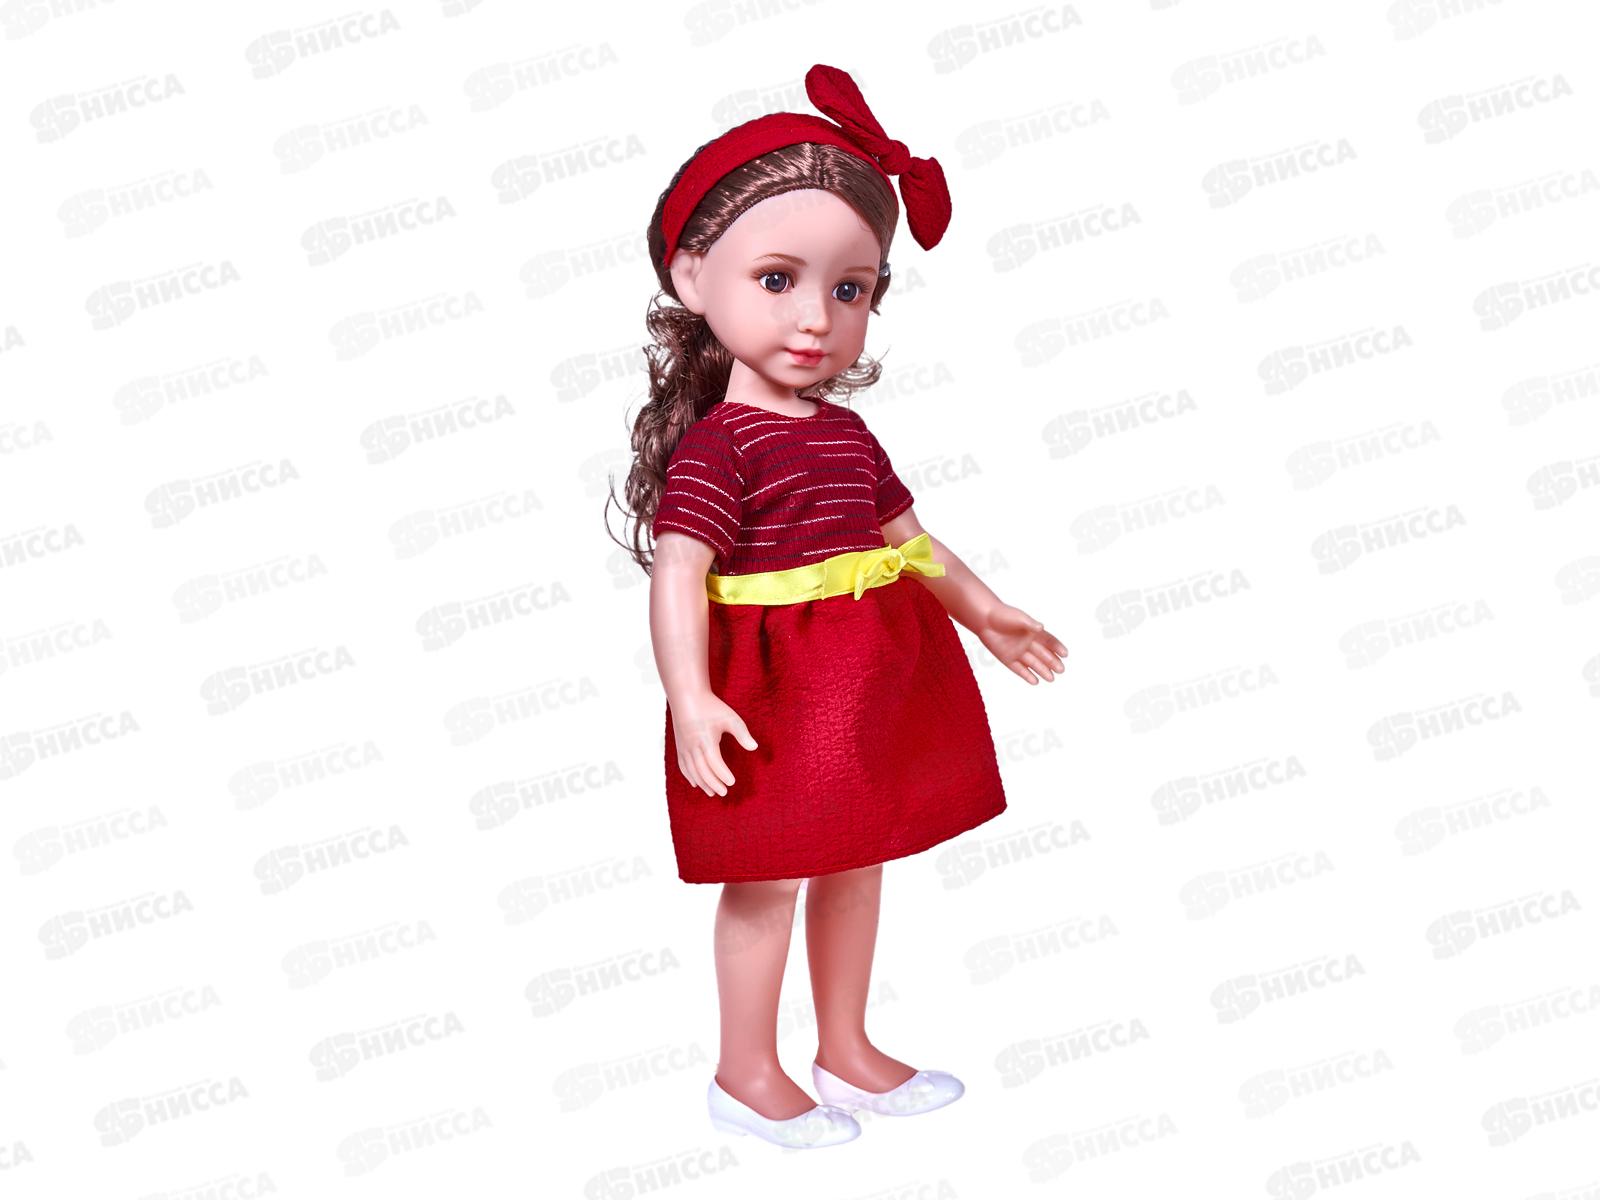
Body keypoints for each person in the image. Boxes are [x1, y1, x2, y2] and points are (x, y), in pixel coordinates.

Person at [607, 64, 1068, 1150]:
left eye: (851, 289)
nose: (816, 317)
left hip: (867, 675)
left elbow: (906, 539)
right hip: (770, 687)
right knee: (767, 875)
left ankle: (846, 1048)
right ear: (693, 275)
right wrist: (689, 695)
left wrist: (984, 609)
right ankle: (745, 1072)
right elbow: (679, 571)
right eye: (777, 278)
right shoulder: (720, 446)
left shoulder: (847, 435)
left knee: (861, 856)